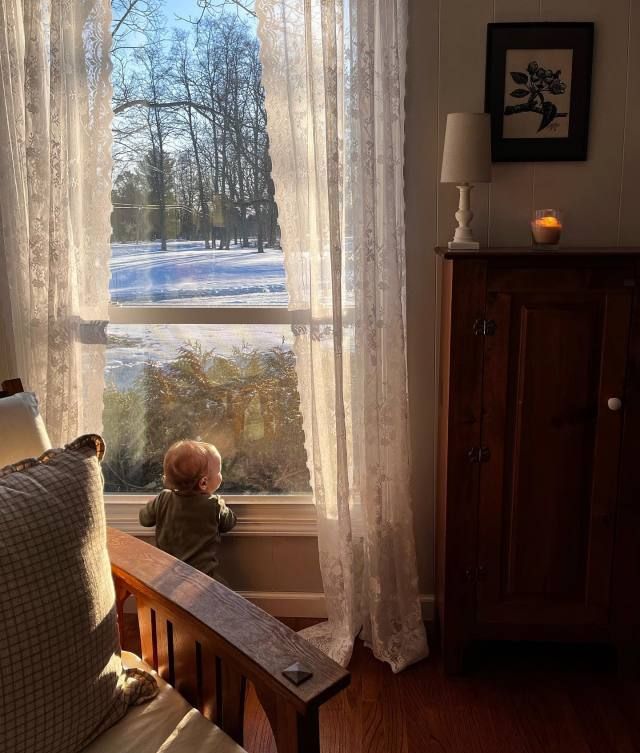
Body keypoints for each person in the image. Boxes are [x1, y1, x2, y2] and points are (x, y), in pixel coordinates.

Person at [139, 440, 236, 580]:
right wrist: (220, 502)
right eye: (219, 472)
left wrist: (151, 505)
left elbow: (144, 519)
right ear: (203, 483)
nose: (221, 476)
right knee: (225, 599)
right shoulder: (213, 504)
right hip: (201, 576)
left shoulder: (163, 499)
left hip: (166, 575)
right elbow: (229, 523)